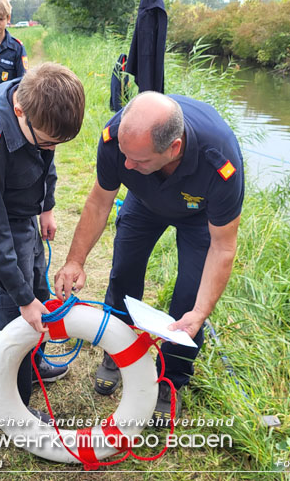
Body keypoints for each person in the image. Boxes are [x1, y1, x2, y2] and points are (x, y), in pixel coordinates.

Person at [54, 91, 244, 426]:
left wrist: (200, 312)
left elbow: (223, 246)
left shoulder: (219, 161)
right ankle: (117, 352)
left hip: (199, 216)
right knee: (124, 275)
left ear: (174, 148)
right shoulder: (119, 141)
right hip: (143, 200)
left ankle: (172, 380)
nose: (126, 164)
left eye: (137, 160)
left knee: (188, 301)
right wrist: (75, 260)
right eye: (125, 156)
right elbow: (100, 201)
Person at [0, 63, 85, 419]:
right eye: (47, 140)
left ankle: (35, 365)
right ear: (18, 112)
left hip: (25, 214)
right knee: (12, 317)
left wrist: (46, 207)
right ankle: (10, 409)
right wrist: (22, 299)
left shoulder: (34, 96)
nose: (51, 147)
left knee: (39, 296)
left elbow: (45, 155)